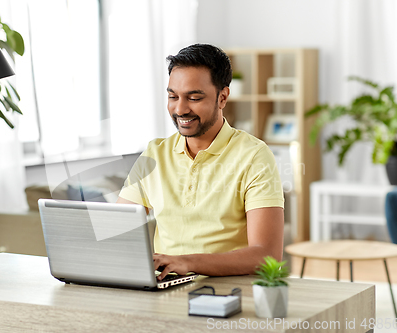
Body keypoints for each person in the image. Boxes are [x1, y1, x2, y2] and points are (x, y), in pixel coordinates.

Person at [117, 44, 284, 281]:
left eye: (194, 98)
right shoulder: (154, 154)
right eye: (173, 97)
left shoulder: (254, 156)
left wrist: (186, 262)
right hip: (165, 287)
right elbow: (117, 228)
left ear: (222, 97)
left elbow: (266, 256)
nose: (180, 109)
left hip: (227, 291)